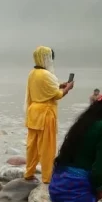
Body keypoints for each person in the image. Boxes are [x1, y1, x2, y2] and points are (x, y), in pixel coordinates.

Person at [25, 46, 74, 184]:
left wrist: (60, 85)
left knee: (32, 145)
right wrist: (68, 88)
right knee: (47, 147)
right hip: (45, 113)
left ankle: (29, 173)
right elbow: (57, 95)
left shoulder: (33, 73)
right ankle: (47, 177)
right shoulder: (46, 74)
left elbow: (44, 89)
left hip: (33, 112)